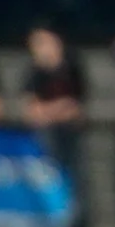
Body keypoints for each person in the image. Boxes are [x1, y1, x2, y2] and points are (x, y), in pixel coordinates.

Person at [20, 22, 86, 172]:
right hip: (43, 138)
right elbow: (32, 111)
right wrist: (57, 109)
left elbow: (75, 107)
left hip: (70, 135)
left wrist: (55, 111)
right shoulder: (33, 73)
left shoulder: (72, 68)